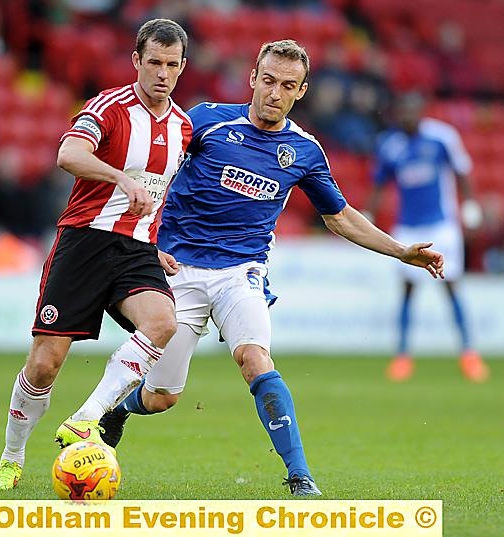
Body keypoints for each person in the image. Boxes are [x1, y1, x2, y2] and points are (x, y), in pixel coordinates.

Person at [67, 40, 443, 497]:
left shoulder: (304, 151)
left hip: (240, 272)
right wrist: (142, 241)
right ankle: (122, 409)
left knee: (254, 358)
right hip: (176, 269)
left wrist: (401, 251)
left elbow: (340, 217)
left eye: (287, 85)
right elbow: (154, 170)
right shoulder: (204, 121)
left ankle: (300, 476)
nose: (274, 92)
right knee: (163, 397)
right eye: (267, 80)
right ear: (252, 78)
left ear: (300, 91)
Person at [0, 18, 191, 490]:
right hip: (84, 242)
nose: (162, 73)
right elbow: (68, 154)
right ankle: (11, 458)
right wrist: (120, 177)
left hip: (137, 247)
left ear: (183, 67)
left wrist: (153, 242)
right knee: (44, 364)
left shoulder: (182, 127)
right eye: (154, 62)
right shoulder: (109, 105)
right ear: (136, 61)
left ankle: (86, 417)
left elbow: (157, 193)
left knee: (163, 322)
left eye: (172, 65)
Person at [366, 91, 489, 383]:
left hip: (440, 225)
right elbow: (379, 183)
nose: (408, 117)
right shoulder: (390, 146)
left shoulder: (442, 138)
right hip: (408, 227)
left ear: (421, 112)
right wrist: (369, 213)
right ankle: (403, 356)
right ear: (398, 115)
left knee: (451, 286)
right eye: (403, 112)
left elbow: (461, 173)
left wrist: (470, 205)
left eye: (413, 111)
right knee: (408, 289)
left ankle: (469, 354)